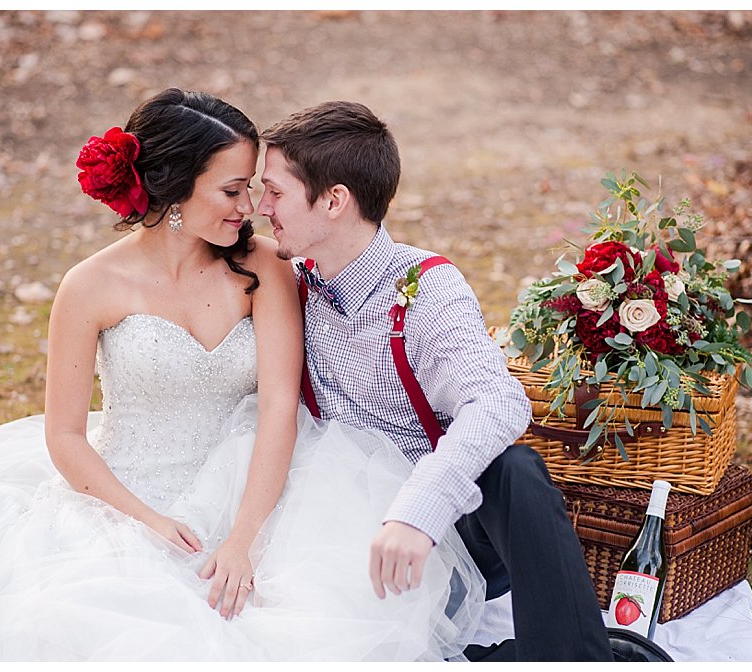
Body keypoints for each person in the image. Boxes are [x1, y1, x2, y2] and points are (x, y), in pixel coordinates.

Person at [0, 88, 485, 661]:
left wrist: (242, 539)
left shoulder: (265, 267)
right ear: (176, 189)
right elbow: (63, 436)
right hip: (121, 498)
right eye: (233, 191)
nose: (253, 207)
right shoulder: (88, 286)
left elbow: (277, 409)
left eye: (256, 189)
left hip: (252, 489)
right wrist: (146, 521)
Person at [256, 101, 615, 661]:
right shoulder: (284, 280)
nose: (261, 207)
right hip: (326, 527)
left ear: (333, 200)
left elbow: (498, 403)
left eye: (274, 192)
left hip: (436, 531)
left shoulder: (425, 290)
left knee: (514, 469)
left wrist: (417, 511)